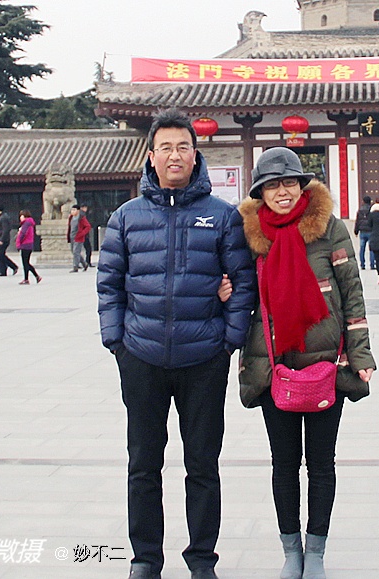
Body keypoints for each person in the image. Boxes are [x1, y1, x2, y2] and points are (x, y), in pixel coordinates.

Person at [97, 108, 256, 579]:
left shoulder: (222, 216)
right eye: (165, 147)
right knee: (143, 464)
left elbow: (243, 282)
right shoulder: (126, 217)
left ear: (195, 153)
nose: (174, 155)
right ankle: (146, 558)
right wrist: (117, 341)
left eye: (182, 146)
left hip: (203, 358)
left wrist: (228, 340)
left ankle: (202, 559)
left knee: (202, 465)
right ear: (151, 155)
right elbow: (109, 284)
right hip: (141, 356)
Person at [237, 146, 375, 579]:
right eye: (272, 185)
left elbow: (351, 292)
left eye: (289, 183)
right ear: (260, 193)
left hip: (324, 365)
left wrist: (361, 353)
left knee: (321, 464)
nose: (282, 192)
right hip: (272, 364)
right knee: (283, 465)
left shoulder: (329, 228)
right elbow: (238, 291)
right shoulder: (250, 235)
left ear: (302, 185)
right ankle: (290, 551)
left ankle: (316, 550)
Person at [15, 210, 41, 285]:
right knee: (26, 262)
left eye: (21, 216)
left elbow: (23, 234)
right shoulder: (29, 223)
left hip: (25, 245)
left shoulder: (26, 223)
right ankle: (35, 276)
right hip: (29, 244)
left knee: (25, 263)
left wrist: (18, 242)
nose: (20, 217)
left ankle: (29, 278)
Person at [0, 204, 19, 277]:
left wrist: (2, 239)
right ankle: (5, 270)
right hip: (1, 238)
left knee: (0, 255)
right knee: (1, 255)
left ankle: (11, 267)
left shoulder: (4, 218)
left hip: (3, 239)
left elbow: (5, 230)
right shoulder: (2, 217)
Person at [67, 204, 91, 273]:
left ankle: (75, 267)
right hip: (72, 237)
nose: (72, 211)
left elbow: (88, 226)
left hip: (79, 238)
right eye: (72, 210)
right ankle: (85, 264)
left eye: (74, 210)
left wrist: (82, 234)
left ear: (78, 211)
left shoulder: (81, 218)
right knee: (74, 252)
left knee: (76, 252)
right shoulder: (71, 218)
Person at [352, 196, 375, 270]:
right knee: (371, 249)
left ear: (363, 201)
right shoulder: (372, 210)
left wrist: (356, 231)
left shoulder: (360, 210)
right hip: (370, 231)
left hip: (362, 231)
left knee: (362, 248)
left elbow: (357, 221)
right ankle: (372, 264)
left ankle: (362, 264)